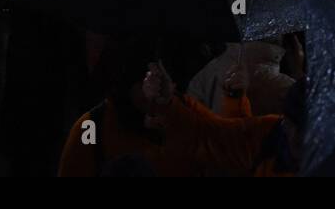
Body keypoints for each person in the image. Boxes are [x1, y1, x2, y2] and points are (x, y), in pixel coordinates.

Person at [58, 56, 280, 177]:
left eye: (165, 81)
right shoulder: (92, 127)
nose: (158, 91)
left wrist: (234, 100)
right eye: (150, 81)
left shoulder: (183, 109)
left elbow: (228, 149)